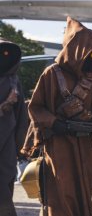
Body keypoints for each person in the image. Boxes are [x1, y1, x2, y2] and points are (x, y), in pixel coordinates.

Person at [28, 17, 92, 216]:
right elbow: (36, 107)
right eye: (89, 52)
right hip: (59, 145)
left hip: (85, 144)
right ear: (76, 49)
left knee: (85, 188)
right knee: (61, 191)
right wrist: (54, 123)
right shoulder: (51, 74)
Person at [0, 39, 28, 216]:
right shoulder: (13, 83)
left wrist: (21, 147)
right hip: (9, 144)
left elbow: (21, 117)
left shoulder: (14, 82)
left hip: (7, 146)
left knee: (5, 182)